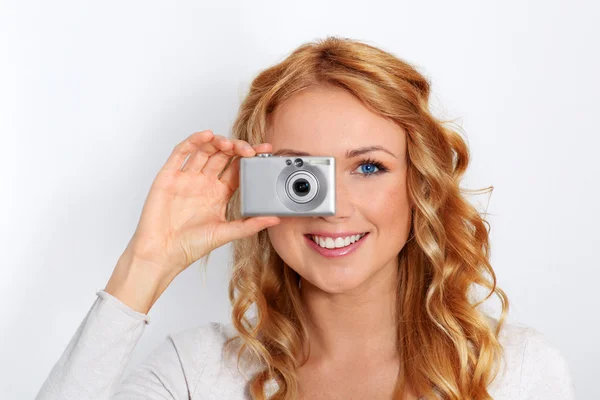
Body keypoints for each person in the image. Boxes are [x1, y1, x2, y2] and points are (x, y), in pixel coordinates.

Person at [35, 37, 576, 400]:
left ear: (420, 185)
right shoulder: (198, 373)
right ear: (256, 185)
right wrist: (144, 265)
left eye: (368, 166)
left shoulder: (518, 373)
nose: (335, 206)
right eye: (301, 176)